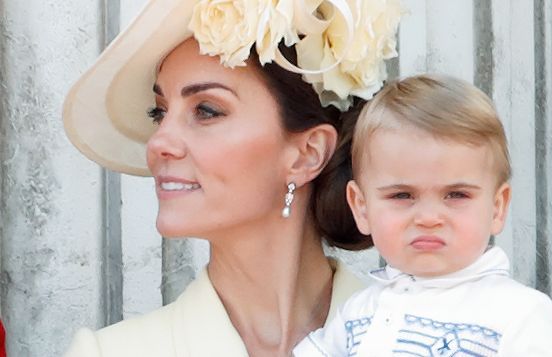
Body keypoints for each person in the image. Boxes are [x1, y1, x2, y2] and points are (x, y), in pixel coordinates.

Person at [62, 0, 402, 356]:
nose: (159, 142)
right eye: (158, 113)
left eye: (206, 111)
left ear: (308, 153)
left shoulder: (424, 339)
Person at [293, 74, 552, 356]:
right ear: (362, 207)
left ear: (497, 207)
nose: (428, 218)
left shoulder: (519, 315)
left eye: (456, 195)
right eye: (402, 196)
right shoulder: (357, 314)